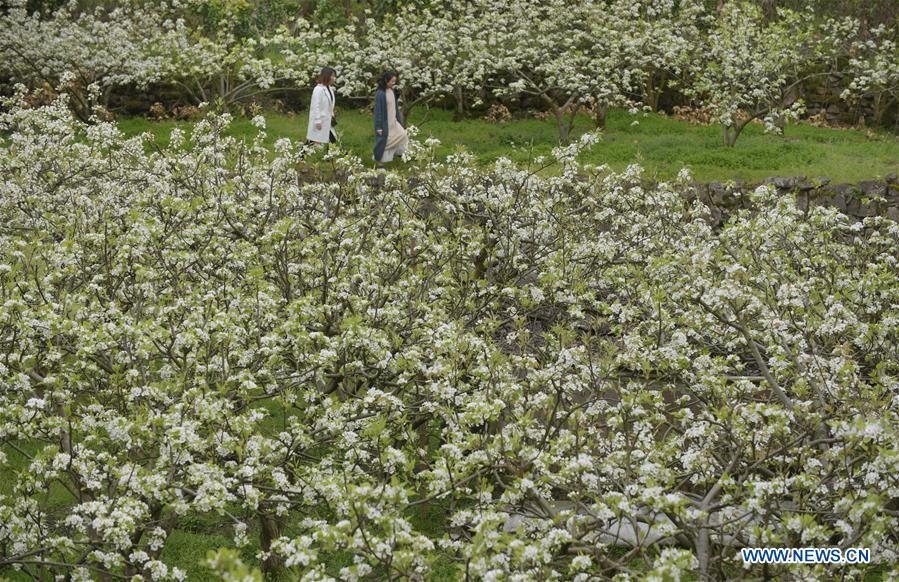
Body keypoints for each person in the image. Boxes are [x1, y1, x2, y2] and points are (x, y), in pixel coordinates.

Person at [373, 71, 408, 164]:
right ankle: (380, 162)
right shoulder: (380, 94)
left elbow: (395, 108)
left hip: (394, 121)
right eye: (392, 81)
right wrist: (378, 127)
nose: (394, 83)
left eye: (394, 81)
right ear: (386, 80)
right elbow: (378, 112)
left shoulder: (391, 91)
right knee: (384, 143)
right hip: (385, 123)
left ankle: (400, 154)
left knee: (403, 135)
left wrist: (399, 120)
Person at [306, 66, 337, 146]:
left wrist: (333, 115)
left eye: (334, 76)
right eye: (332, 76)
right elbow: (315, 106)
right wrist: (317, 121)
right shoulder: (318, 89)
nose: (334, 78)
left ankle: (330, 157)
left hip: (327, 120)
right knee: (314, 140)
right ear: (326, 76)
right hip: (320, 120)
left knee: (330, 140)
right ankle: (300, 156)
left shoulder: (329, 88)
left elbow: (330, 104)